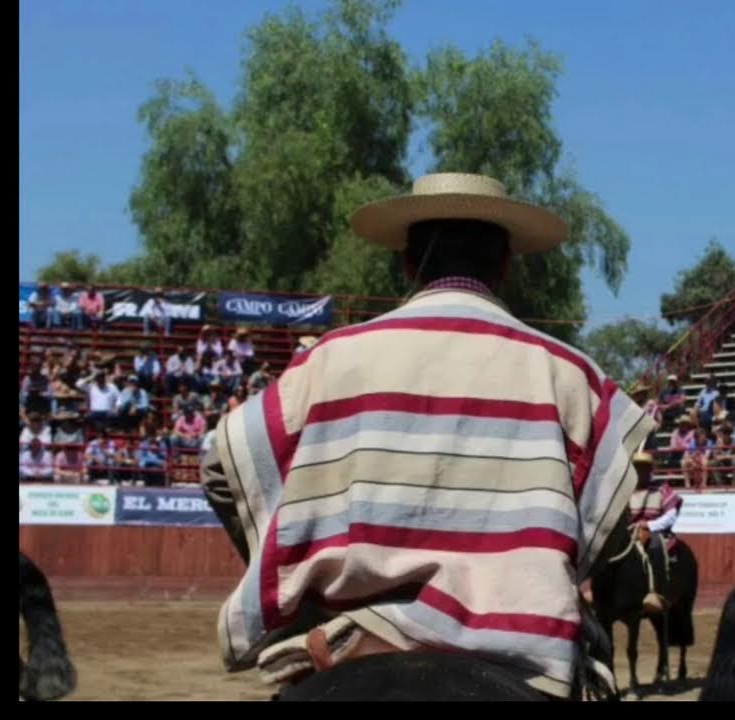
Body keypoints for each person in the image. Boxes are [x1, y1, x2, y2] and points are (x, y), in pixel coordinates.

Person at [198, 173, 653, 700]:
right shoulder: (571, 373)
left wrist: (289, 559)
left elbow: (219, 466)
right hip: (522, 657)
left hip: (341, 642)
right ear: (505, 265)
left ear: (409, 263)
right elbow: (613, 505)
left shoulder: (330, 358)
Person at [625, 451, 683, 615]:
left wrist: (649, 525)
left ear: (650, 470)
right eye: (637, 468)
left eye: (644, 468)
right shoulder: (624, 490)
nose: (640, 471)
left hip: (654, 532)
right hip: (628, 532)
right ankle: (599, 590)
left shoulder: (662, 489)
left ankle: (655, 592)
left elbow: (671, 516)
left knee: (655, 546)